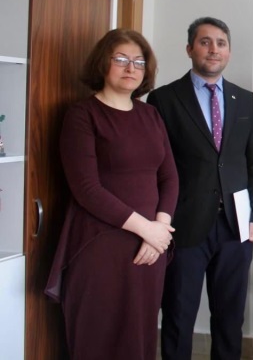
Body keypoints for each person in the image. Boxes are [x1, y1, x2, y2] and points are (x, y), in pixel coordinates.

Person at [45, 29, 179, 359]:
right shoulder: (82, 115)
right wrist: (147, 229)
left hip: (150, 250)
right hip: (100, 245)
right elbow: (87, 189)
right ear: (102, 64)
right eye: (120, 59)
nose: (130, 68)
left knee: (140, 338)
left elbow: (170, 177)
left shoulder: (150, 115)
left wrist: (160, 230)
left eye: (139, 61)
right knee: (99, 338)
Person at [148, 17, 253, 359]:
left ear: (229, 51)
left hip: (236, 225)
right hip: (183, 224)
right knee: (178, 316)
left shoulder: (245, 100)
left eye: (221, 43)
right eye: (205, 42)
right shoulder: (163, 99)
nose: (213, 49)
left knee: (230, 319)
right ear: (189, 48)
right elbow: (156, 167)